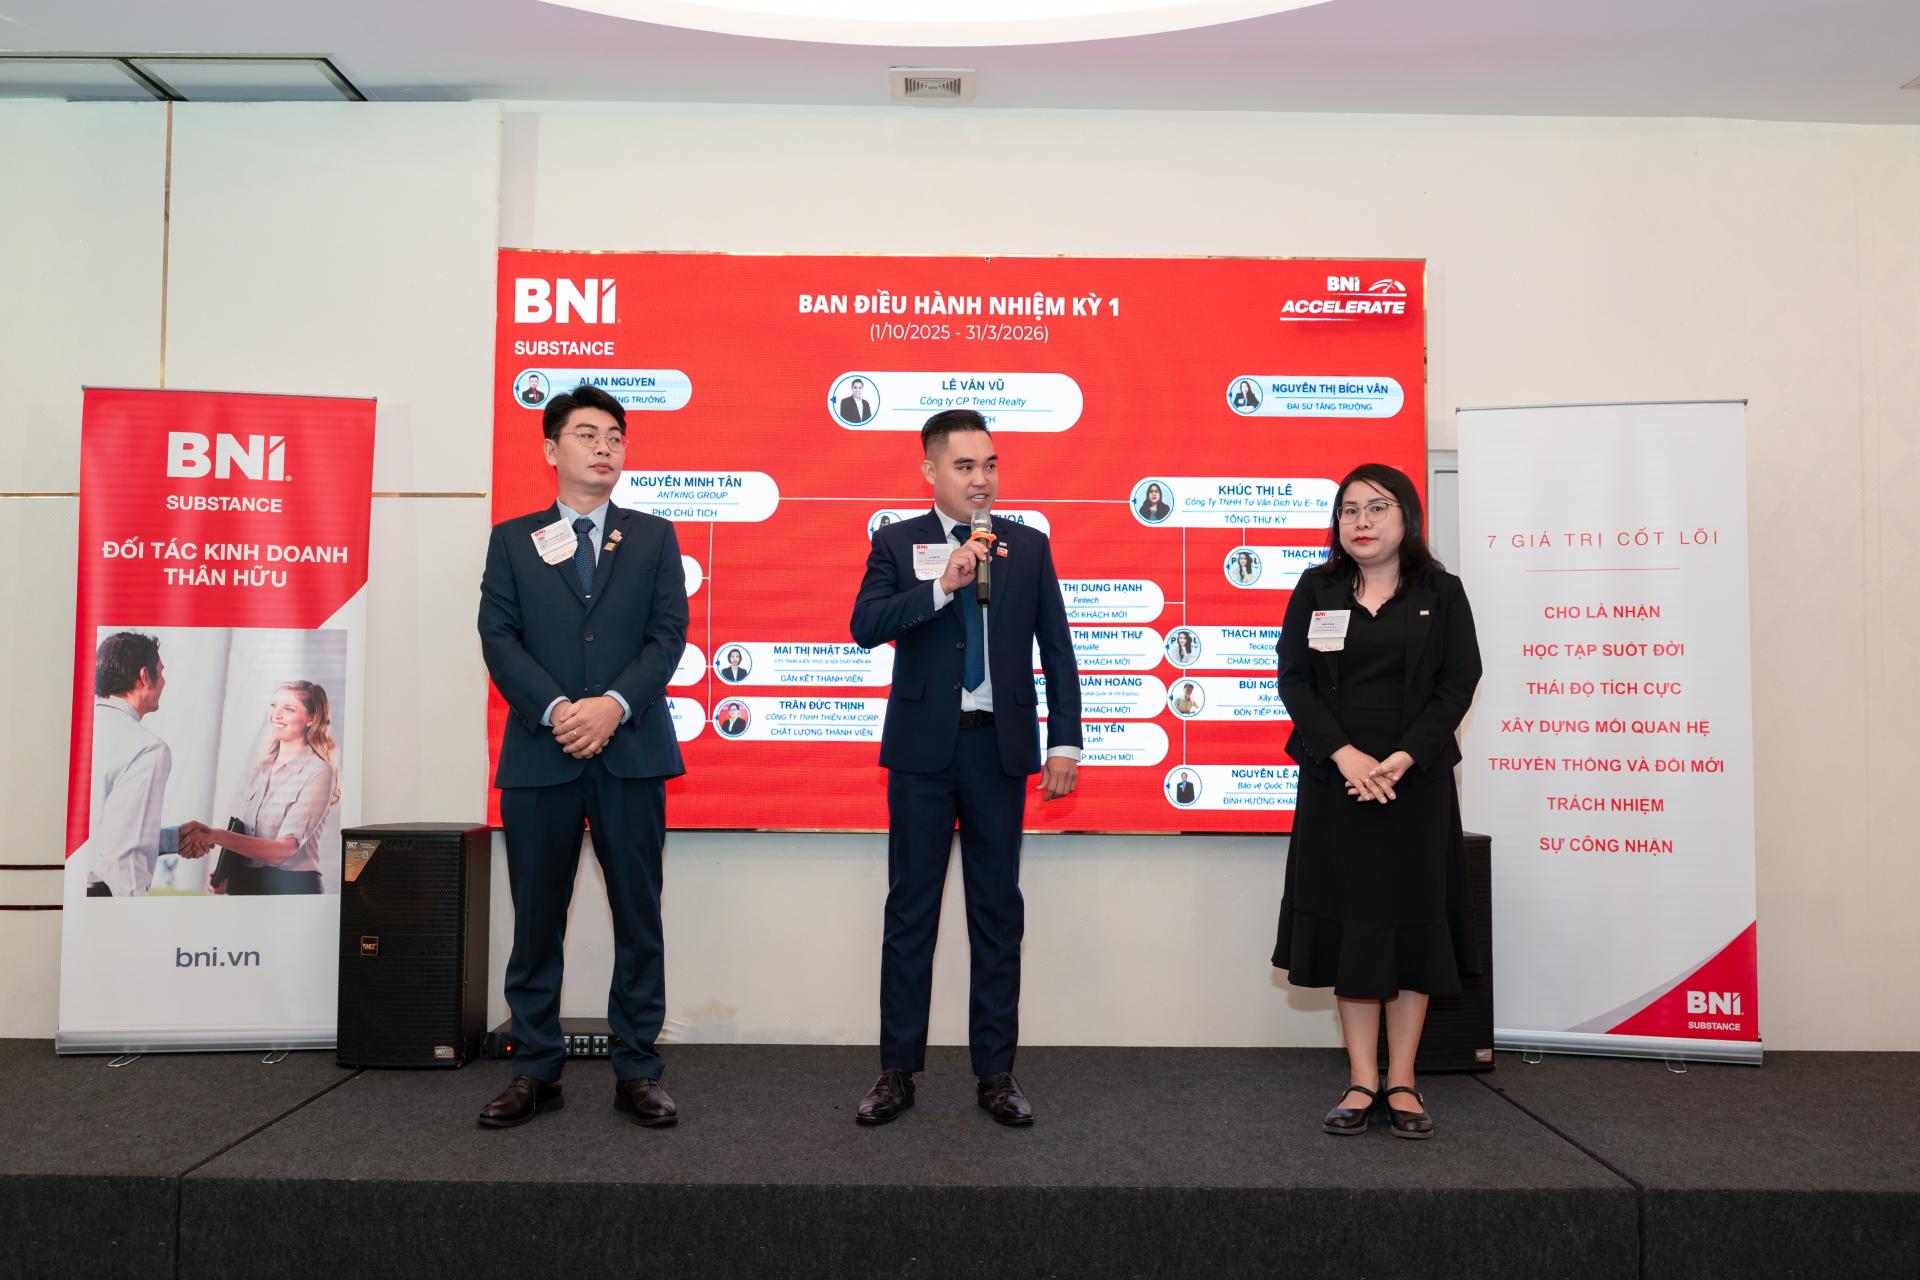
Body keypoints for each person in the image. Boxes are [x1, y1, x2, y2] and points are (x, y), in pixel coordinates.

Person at [849, 408, 1082, 1127]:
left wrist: (1065, 742)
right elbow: (865, 626)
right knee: (910, 913)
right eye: (965, 466)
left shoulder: (1027, 546)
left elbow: (1057, 648)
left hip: (997, 750)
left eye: (990, 464)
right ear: (930, 471)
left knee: (997, 913)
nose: (981, 479)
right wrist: (941, 587)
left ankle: (996, 1073)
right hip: (922, 754)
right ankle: (896, 1072)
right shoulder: (897, 542)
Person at [476, 383, 690, 1131]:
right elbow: (499, 638)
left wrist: (613, 706)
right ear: (550, 449)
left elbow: (667, 636)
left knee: (639, 916)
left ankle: (639, 1070)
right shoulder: (513, 540)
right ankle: (536, 1069)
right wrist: (560, 710)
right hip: (543, 753)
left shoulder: (654, 537)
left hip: (631, 752)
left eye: (615, 437)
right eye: (588, 435)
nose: (605, 448)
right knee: (537, 920)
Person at [1272, 462, 1482, 1141]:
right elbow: (1294, 679)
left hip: (1413, 786)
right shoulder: (1318, 588)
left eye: (1377, 508)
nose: (1361, 521)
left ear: (1406, 518)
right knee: (1354, 930)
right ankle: (1362, 1079)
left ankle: (1404, 1080)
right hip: (1338, 785)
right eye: (1349, 510)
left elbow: (1460, 681)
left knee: (1413, 928)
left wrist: (1405, 755)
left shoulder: (1441, 592)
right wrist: (1345, 755)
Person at [191, 681, 339, 896]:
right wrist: (226, 871)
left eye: (289, 709)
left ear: (311, 719)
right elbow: (245, 833)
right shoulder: (258, 769)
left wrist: (216, 836)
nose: (276, 715)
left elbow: (282, 851)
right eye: (273, 705)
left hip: (292, 889)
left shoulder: (319, 771)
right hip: (246, 885)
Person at [80, 632, 192, 897]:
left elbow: (101, 834)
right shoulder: (147, 749)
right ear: (144, 676)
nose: (163, 682)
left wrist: (172, 839)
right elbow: (124, 856)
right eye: (161, 672)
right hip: (108, 898)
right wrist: (134, 915)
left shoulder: (81, 728)